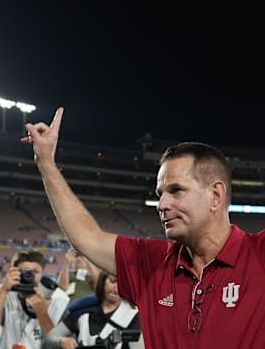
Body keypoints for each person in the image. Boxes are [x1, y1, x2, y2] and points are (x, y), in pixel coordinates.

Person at [22, 107, 265, 348]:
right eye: (160, 194)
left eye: (176, 190)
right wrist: (46, 164)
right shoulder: (152, 263)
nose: (162, 204)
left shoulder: (259, 254)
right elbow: (86, 237)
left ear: (216, 195)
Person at [0, 250, 70, 349]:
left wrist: (42, 314)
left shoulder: (60, 299)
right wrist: (3, 290)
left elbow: (58, 345)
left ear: (43, 273)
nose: (29, 276)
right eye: (24, 271)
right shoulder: (2, 292)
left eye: (35, 272)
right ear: (14, 271)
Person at [43, 271, 143, 349]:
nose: (117, 289)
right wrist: (61, 342)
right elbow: (48, 340)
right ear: (103, 281)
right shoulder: (82, 310)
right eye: (113, 281)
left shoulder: (133, 315)